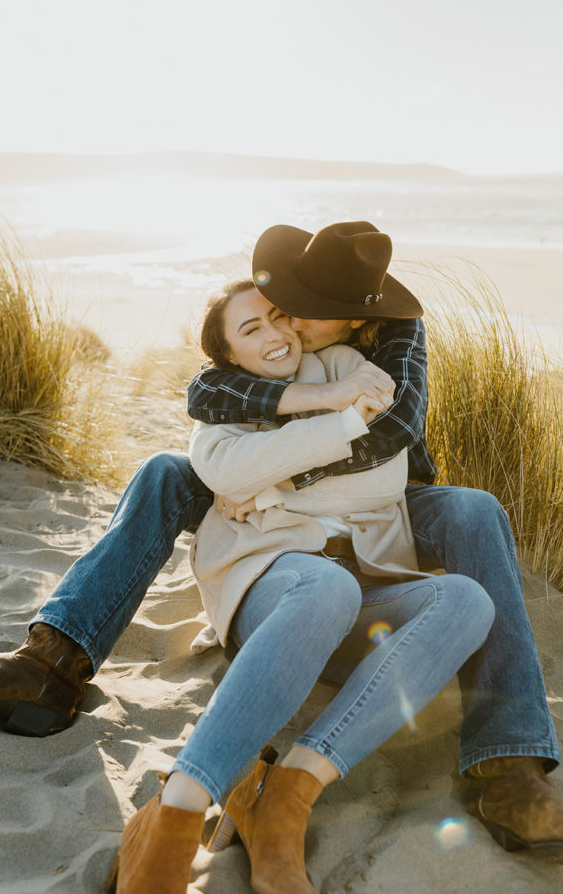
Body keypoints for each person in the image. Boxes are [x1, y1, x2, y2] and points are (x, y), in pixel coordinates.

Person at [0, 221, 563, 872]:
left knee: (473, 509)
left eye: (305, 311)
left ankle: (507, 771)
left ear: (351, 321)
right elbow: (210, 386)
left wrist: (274, 484)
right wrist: (289, 435)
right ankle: (53, 664)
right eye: (282, 305)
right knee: (167, 472)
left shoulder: (398, 334)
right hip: (278, 475)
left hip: (384, 496)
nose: (286, 316)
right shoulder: (277, 324)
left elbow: (395, 426)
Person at [105, 277, 496, 893]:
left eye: (279, 317)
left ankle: (288, 792)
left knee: (467, 600)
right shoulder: (229, 403)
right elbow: (219, 466)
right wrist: (340, 418)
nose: (274, 334)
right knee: (324, 590)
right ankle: (177, 810)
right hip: (270, 581)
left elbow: (384, 474)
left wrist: (268, 486)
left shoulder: (342, 363)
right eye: (250, 328)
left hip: (365, 585)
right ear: (229, 355)